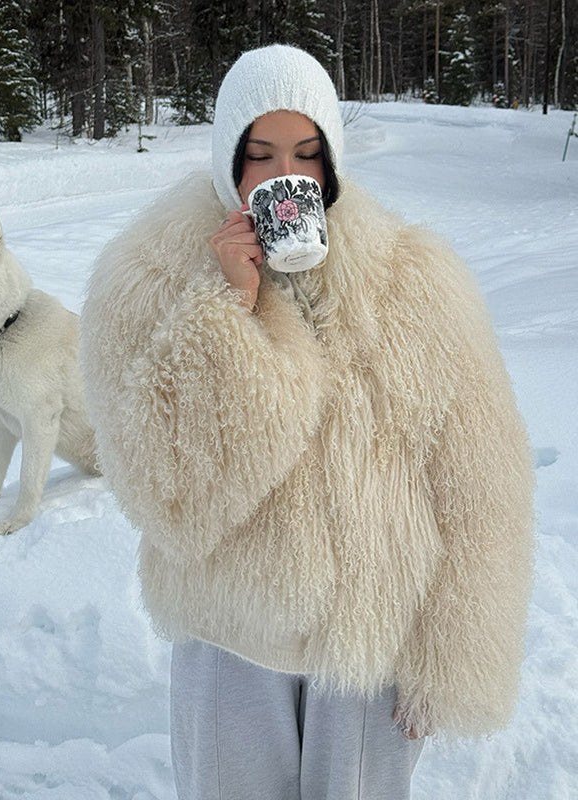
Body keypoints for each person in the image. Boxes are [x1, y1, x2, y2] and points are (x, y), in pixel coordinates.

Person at [81, 45, 534, 800]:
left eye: (305, 153)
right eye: (258, 155)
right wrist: (231, 309)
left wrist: (456, 658)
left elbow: (481, 483)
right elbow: (165, 495)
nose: (282, 177)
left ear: (332, 162)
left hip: (370, 648)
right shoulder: (149, 275)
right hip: (229, 641)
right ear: (227, 158)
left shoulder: (415, 279)